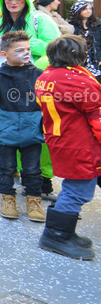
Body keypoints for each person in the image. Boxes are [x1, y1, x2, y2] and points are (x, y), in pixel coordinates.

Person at [34, 34, 99, 260]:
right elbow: (97, 117)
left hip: (60, 139)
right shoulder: (78, 81)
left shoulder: (46, 76)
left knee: (74, 186)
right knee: (78, 190)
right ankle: (56, 236)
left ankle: (65, 231)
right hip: (80, 143)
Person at [0, 31, 45, 222]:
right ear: (4, 54)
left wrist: (45, 124)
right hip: (6, 132)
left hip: (33, 132)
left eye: (28, 49)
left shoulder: (39, 75)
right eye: (20, 50)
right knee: (6, 168)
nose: (26, 53)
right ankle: (8, 198)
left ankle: (34, 200)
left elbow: (48, 102)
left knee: (32, 169)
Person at [68, 1, 101, 81]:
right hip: (78, 61)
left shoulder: (97, 25)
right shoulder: (71, 26)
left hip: (96, 62)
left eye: (90, 8)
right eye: (85, 9)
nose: (88, 11)